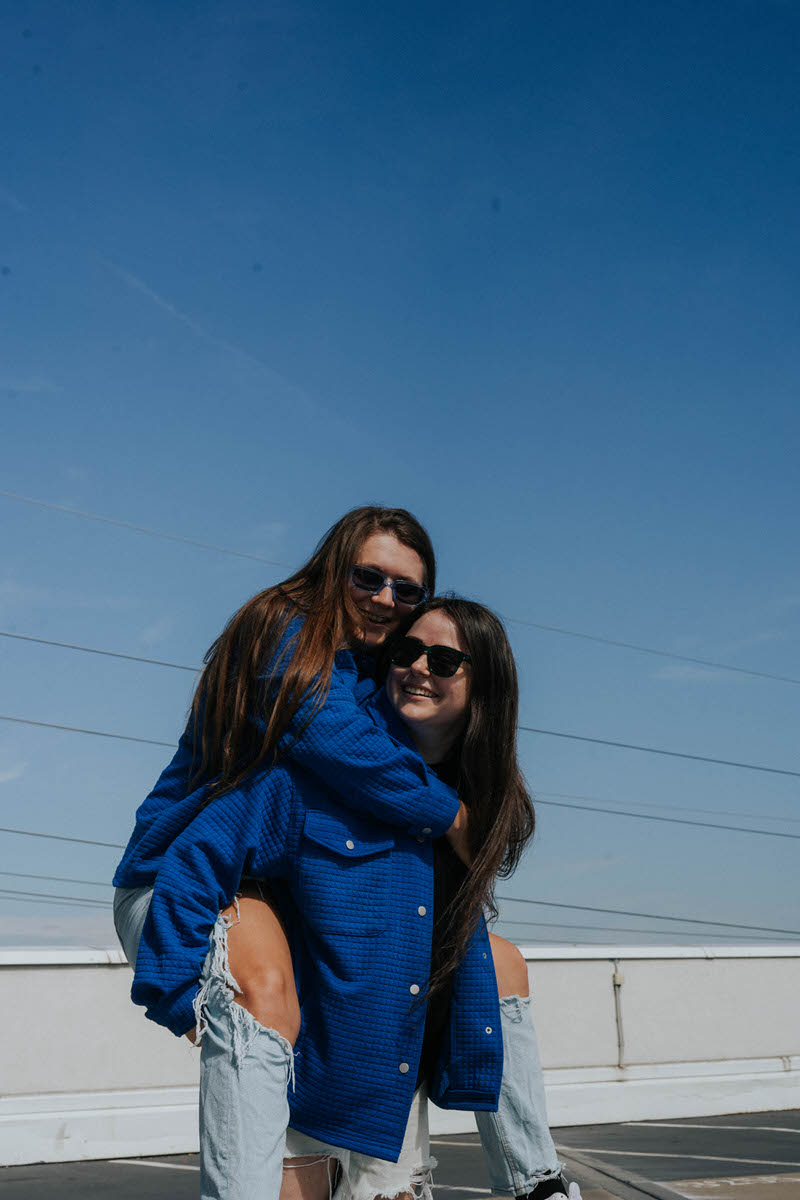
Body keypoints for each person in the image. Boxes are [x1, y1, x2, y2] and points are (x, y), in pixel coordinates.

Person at [113, 509, 573, 1199]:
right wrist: (450, 814)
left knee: (492, 958)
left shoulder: (372, 694)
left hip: (271, 890)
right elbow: (324, 741)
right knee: (263, 985)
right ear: (335, 568)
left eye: (406, 590)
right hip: (180, 880)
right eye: (369, 577)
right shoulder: (282, 639)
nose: (387, 599)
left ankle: (536, 1185)